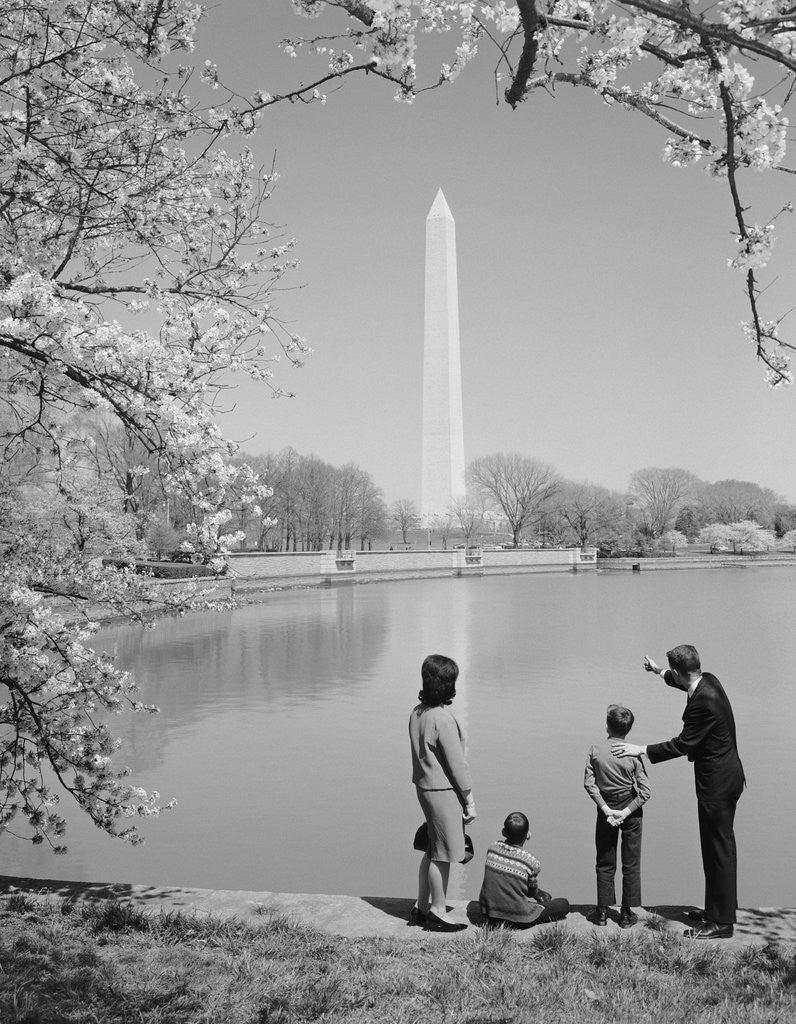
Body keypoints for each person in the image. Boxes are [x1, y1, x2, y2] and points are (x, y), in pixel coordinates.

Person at [612, 645, 745, 939]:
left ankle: (722, 924)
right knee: (715, 848)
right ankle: (716, 910)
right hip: (726, 778)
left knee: (718, 850)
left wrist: (641, 749)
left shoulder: (704, 702)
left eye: (672, 671)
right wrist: (659, 671)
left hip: (718, 784)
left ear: (682, 672)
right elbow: (681, 681)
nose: (671, 675)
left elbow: (683, 744)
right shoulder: (708, 679)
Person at [408, 654, 475, 932]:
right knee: (444, 853)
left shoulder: (417, 712)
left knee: (432, 848)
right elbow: (457, 765)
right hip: (443, 790)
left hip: (424, 787)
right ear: (448, 686)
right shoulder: (443, 719)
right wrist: (469, 799)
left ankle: (422, 906)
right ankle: (438, 910)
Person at [584, 704, 651, 928]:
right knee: (631, 862)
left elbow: (589, 784)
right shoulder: (632, 754)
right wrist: (625, 811)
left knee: (605, 860)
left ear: (607, 726)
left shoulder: (596, 750)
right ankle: (625, 914)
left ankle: (602, 912)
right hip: (630, 810)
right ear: (628, 730)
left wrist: (606, 809)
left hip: (606, 809)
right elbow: (645, 791)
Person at [479, 811, 570, 929]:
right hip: (518, 919)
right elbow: (530, 893)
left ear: (503, 832)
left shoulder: (492, 848)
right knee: (563, 904)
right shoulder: (531, 861)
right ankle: (534, 907)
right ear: (528, 835)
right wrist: (535, 893)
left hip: (489, 915)